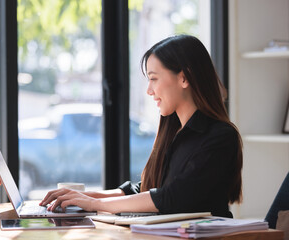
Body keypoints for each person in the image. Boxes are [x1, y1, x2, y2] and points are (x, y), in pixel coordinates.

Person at [40, 34, 243, 218]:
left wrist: (95, 203)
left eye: (154, 79)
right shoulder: (173, 131)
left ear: (184, 77)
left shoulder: (220, 136)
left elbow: (173, 197)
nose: (149, 90)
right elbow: (148, 189)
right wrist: (83, 196)